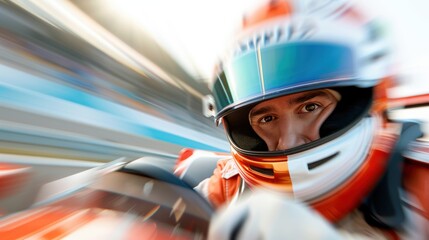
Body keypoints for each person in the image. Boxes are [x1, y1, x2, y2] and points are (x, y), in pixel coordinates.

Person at [174, 0, 428, 239]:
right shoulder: (231, 184)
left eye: (310, 107)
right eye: (268, 118)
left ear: (366, 98)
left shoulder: (421, 184)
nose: (287, 141)